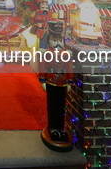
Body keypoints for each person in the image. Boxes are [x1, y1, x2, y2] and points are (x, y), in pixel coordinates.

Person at [39, 20, 73, 152]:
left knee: (61, 106)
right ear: (49, 40)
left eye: (60, 39)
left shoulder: (66, 54)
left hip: (62, 81)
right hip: (51, 80)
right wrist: (42, 80)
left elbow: (69, 67)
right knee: (52, 104)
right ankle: (52, 127)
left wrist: (70, 81)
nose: (58, 42)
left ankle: (61, 128)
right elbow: (42, 66)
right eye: (55, 39)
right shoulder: (47, 53)